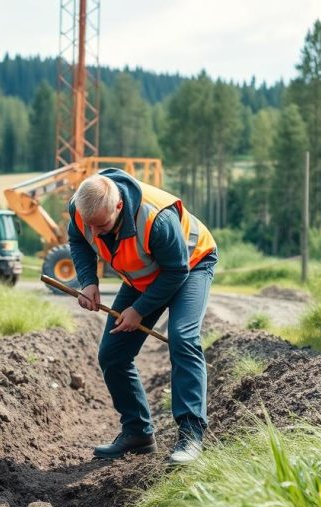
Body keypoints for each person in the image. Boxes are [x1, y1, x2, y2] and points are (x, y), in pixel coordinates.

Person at [68, 168, 217, 464]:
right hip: (144, 277)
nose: (95, 232)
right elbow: (79, 241)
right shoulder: (81, 209)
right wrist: (88, 281)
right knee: (112, 354)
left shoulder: (155, 218)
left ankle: (191, 436)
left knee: (182, 338)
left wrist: (138, 311)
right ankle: (137, 433)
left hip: (190, 265)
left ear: (119, 206)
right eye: (90, 225)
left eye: (102, 225)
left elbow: (176, 271)